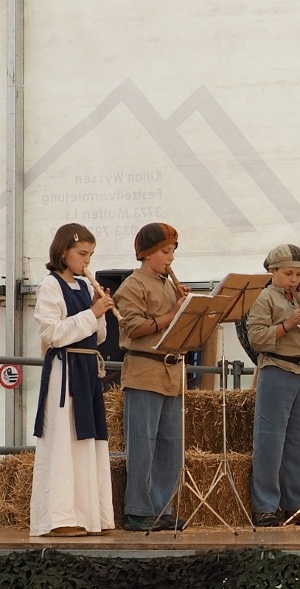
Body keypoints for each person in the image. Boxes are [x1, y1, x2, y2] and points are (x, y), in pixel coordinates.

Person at [30, 224, 116, 537]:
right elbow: (51, 334)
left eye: (91, 255)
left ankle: (92, 515)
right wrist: (91, 312)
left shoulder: (83, 286)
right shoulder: (50, 285)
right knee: (64, 443)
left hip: (87, 369)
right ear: (64, 251)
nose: (87, 261)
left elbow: (99, 336)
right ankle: (60, 517)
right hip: (65, 371)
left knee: (88, 441)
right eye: (82, 254)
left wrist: (100, 311)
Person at [114, 223, 190, 532]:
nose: (170, 258)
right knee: (142, 445)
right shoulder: (133, 285)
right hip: (145, 370)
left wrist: (188, 309)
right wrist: (173, 314)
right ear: (147, 254)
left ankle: (162, 508)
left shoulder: (168, 284)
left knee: (169, 445)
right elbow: (131, 327)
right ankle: (138, 510)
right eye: (164, 252)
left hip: (171, 372)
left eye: (172, 252)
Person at [245, 244, 300, 527]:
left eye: (298, 274)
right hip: (277, 368)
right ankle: (265, 506)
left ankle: (297, 503)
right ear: (273, 272)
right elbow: (256, 338)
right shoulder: (264, 298)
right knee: (270, 440)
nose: (294, 279)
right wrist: (289, 323)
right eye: (289, 273)